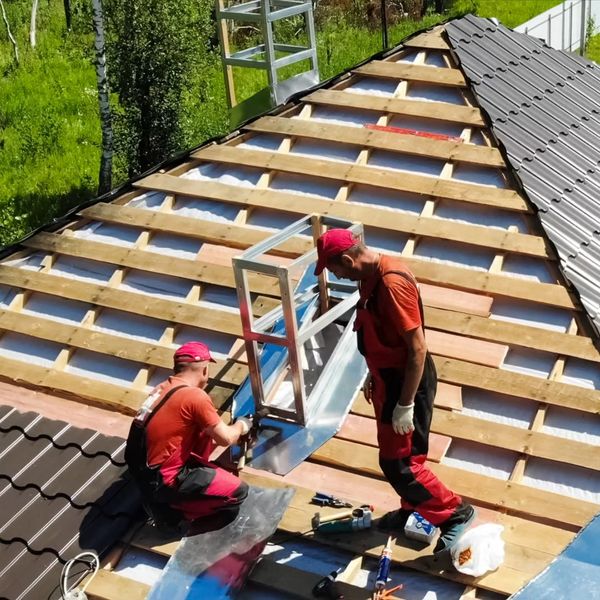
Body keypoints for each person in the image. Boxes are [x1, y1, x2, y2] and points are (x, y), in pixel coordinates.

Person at [314, 229, 475, 553]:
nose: (338, 276)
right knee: (401, 456)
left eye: (336, 270)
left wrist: (405, 404)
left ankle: (455, 513)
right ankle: (413, 508)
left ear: (348, 259)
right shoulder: (370, 275)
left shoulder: (391, 284)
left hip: (406, 383)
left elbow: (417, 349)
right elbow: (379, 332)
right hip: (389, 379)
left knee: (401, 464)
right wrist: (374, 374)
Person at [126, 341, 251, 527]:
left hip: (147, 476)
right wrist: (242, 425)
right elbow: (226, 438)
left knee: (204, 433)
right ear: (205, 370)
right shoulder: (195, 396)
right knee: (238, 492)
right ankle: (177, 513)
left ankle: (168, 500)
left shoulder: (161, 389)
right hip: (168, 480)